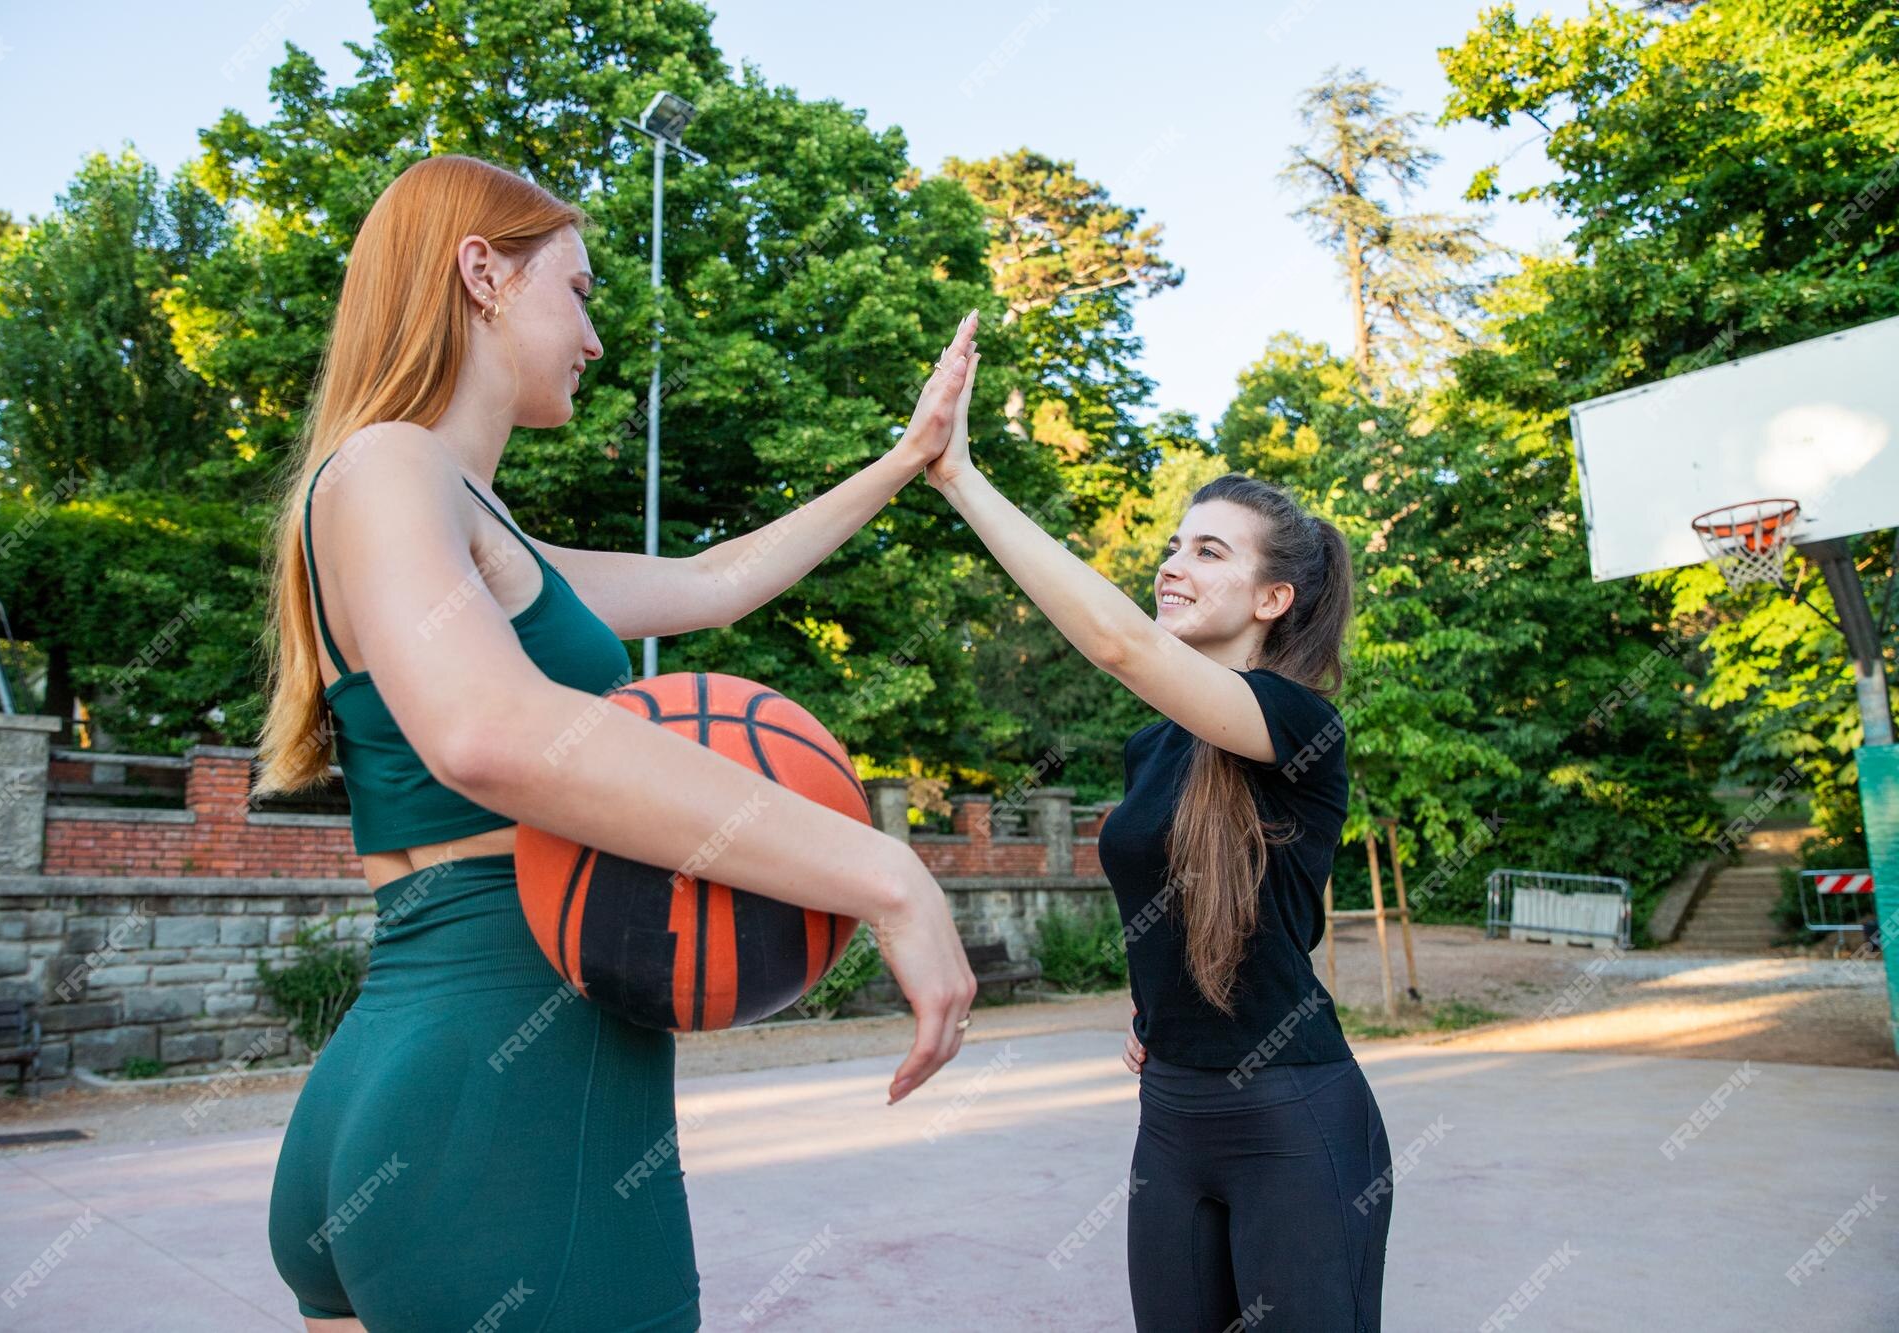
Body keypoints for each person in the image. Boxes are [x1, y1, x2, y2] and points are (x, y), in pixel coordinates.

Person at [252, 154, 978, 1332]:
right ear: (481, 272)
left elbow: (713, 580)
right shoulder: (390, 463)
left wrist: (905, 463)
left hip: (406, 1091)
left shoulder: (471, 522)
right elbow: (487, 733)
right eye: (579, 291)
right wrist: (882, 872)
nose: (594, 337)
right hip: (507, 1096)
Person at [925, 351, 1392, 1330]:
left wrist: (959, 476)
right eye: (1174, 545)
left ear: (1273, 600)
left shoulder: (1299, 726)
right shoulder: (1150, 746)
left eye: (1209, 553)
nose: (1172, 565)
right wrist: (1155, 1011)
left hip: (1292, 1115)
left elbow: (1115, 643)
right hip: (1171, 1119)